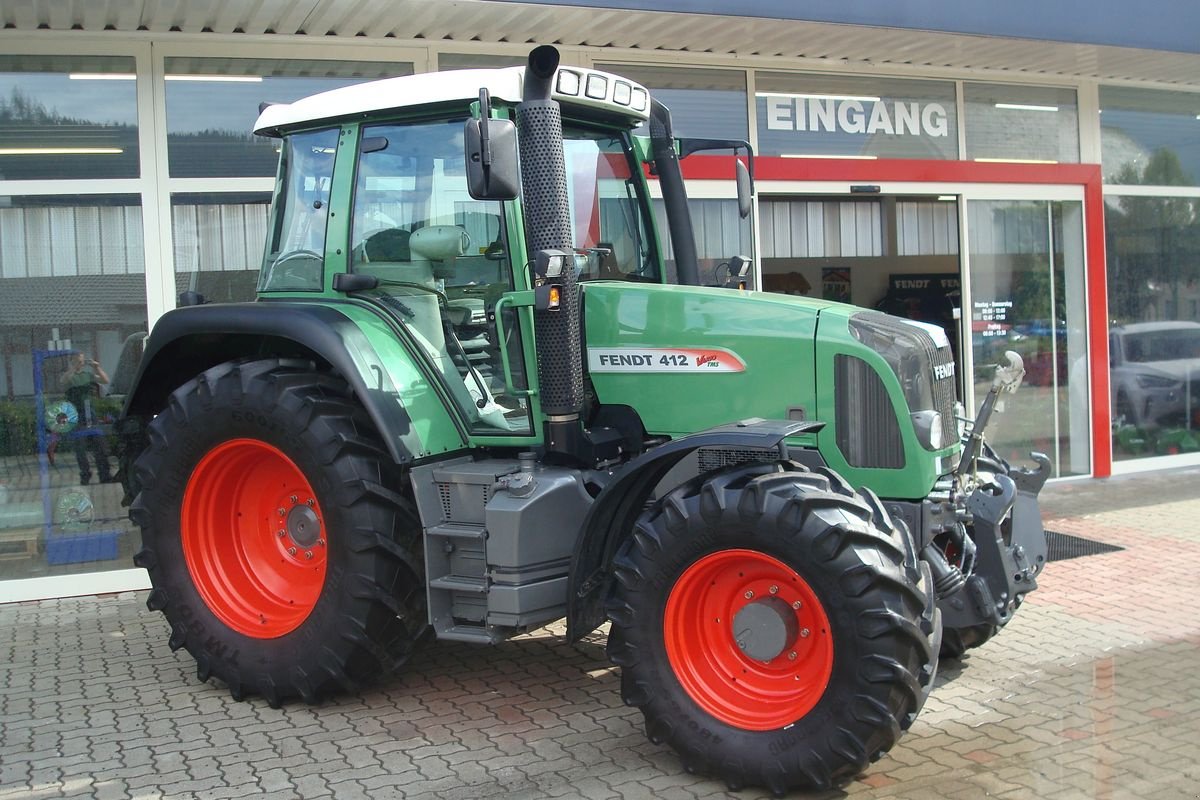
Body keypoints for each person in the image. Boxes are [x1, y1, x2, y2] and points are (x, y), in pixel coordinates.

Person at [62, 353, 115, 485]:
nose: (81, 363)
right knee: (80, 448)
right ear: (72, 361)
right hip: (76, 416)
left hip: (90, 414)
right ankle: (85, 474)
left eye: (82, 360)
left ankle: (105, 474)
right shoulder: (70, 376)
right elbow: (64, 381)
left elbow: (105, 380)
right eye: (78, 361)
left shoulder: (87, 375)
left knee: (100, 445)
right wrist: (74, 368)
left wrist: (96, 367)